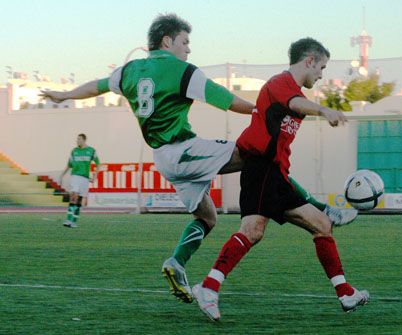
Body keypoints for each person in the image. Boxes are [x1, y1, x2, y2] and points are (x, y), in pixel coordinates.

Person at [40, 14, 356, 303]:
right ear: (167, 41)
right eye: (185, 42)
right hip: (183, 148)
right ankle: (322, 209)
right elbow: (224, 99)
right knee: (258, 154)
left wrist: (64, 95)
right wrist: (263, 108)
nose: (188, 50)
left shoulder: (129, 70)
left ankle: (176, 262)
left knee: (208, 218)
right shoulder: (181, 70)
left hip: (163, 158)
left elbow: (95, 86)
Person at [192, 38, 369, 321]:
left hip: (273, 174)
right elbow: (296, 103)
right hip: (262, 169)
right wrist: (323, 110)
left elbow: (295, 105)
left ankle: (346, 293)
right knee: (253, 230)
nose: (321, 74)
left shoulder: (290, 89)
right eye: (321, 67)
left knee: (321, 225)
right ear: (309, 60)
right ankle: (208, 287)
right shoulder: (280, 83)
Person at [60, 133, 99, 228]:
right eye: (77, 139)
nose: (77, 141)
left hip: (85, 178)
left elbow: (98, 164)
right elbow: (69, 165)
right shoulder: (74, 151)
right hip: (75, 176)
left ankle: (74, 221)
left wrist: (94, 177)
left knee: (80, 199)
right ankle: (68, 219)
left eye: (79, 139)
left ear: (84, 140)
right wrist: (62, 175)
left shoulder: (91, 151)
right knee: (74, 195)